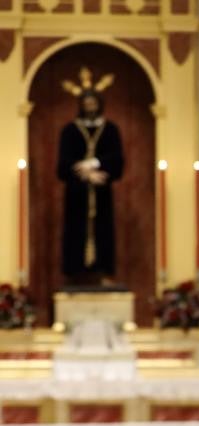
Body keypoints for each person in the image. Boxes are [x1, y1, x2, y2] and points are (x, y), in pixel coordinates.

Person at [56, 68, 124, 284]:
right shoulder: (69, 130)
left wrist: (94, 164)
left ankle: (103, 272)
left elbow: (118, 161)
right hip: (77, 194)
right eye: (86, 104)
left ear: (99, 104)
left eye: (93, 103)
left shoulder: (110, 130)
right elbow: (62, 165)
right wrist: (86, 174)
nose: (90, 107)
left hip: (102, 193)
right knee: (75, 231)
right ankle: (75, 274)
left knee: (103, 231)